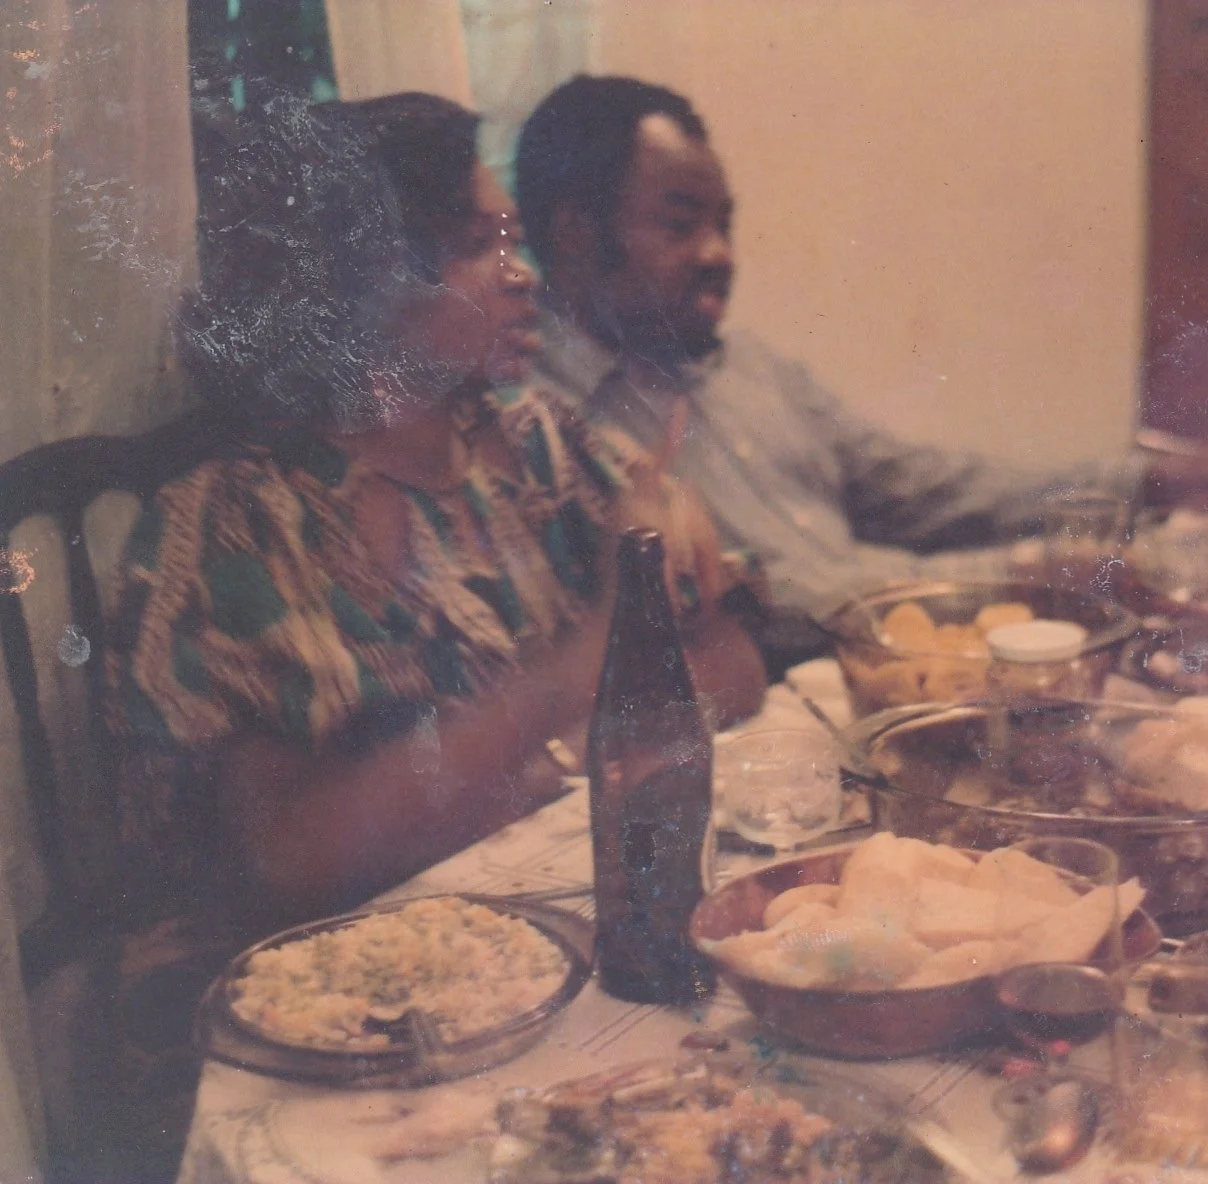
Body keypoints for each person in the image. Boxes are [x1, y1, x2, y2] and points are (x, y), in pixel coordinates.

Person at [83, 91, 763, 1182]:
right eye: (475, 244)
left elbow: (733, 666)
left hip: (519, 967)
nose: (523, 269)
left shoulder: (535, 446)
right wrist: (573, 681)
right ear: (357, 286)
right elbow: (289, 862)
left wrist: (595, 688)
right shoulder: (231, 525)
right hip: (309, 1037)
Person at [513, 75, 1208, 622]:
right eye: (682, 223)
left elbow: (929, 489)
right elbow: (776, 597)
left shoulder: (746, 367)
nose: (720, 252)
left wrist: (1158, 480)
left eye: (725, 223)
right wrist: (1037, 570)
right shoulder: (548, 426)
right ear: (576, 234)